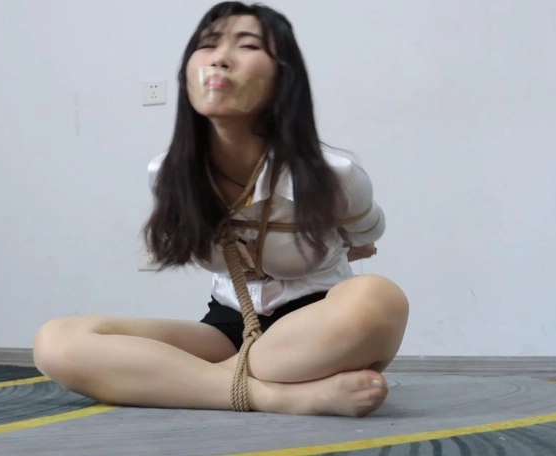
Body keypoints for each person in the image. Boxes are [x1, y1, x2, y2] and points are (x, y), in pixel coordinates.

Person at [33, 1, 409, 418]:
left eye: (247, 46)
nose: (220, 58)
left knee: (378, 299)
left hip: (317, 329)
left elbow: (366, 238)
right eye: (208, 44)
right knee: (56, 341)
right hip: (228, 327)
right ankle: (280, 396)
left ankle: (176, 381)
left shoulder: (335, 177)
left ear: (284, 80)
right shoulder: (168, 174)